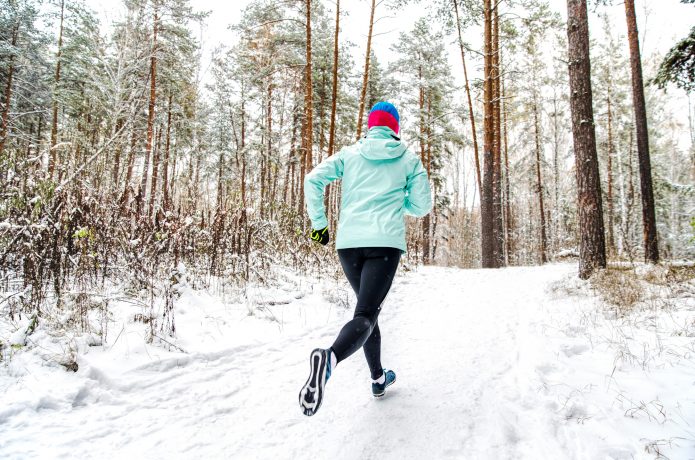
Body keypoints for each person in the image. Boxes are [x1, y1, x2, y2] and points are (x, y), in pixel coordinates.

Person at [298, 101, 433, 417]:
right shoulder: (408, 160)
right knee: (367, 313)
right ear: (395, 128)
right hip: (384, 245)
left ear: (371, 126)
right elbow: (422, 205)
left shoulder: (350, 154)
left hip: (349, 245)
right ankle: (329, 357)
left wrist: (320, 225)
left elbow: (312, 180)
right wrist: (400, 204)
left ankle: (377, 379)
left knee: (368, 313)